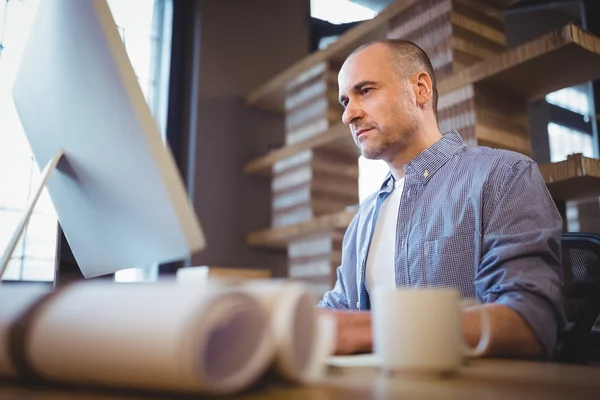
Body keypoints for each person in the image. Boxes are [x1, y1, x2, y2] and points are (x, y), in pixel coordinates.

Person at [318, 39, 566, 360]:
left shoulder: (504, 175)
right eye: (344, 101)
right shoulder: (363, 219)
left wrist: (371, 330)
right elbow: (338, 310)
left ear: (421, 89)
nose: (348, 115)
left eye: (365, 91)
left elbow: (530, 321)